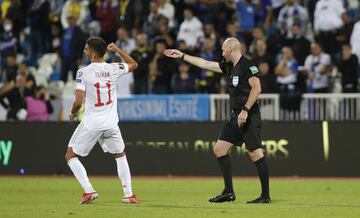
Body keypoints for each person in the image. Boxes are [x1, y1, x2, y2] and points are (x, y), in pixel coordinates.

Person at [164, 37, 271, 203]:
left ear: (230, 49)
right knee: (219, 149)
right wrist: (182, 55)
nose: (221, 53)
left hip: (249, 114)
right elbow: (205, 63)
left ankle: (265, 196)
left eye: (223, 50)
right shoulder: (228, 66)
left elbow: (257, 88)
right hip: (236, 115)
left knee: (255, 153)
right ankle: (228, 192)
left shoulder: (248, 66)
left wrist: (245, 110)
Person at [64, 36, 140, 204]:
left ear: (92, 53)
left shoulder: (83, 72)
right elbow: (134, 64)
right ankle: (128, 194)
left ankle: (88, 190)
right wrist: (118, 50)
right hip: (111, 123)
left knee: (70, 155)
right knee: (120, 155)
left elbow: (78, 101)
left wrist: (72, 113)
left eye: (86, 48)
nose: (84, 50)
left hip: (92, 123)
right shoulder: (113, 68)